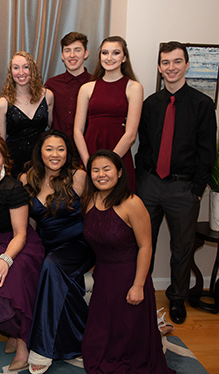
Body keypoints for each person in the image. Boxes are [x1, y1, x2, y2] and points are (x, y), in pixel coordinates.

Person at [135, 41, 217, 324]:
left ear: (187, 64)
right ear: (159, 67)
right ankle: (141, 292)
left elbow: (208, 151)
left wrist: (196, 191)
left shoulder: (202, 104)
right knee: (144, 242)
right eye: (166, 62)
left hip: (183, 188)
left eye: (177, 61)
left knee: (182, 248)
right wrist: (141, 178)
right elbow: (143, 145)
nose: (171, 67)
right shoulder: (150, 104)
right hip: (149, 184)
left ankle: (177, 297)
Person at [81, 150, 175, 374]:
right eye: (95, 170)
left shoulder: (132, 203)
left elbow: (145, 246)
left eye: (107, 169)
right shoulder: (89, 200)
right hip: (104, 277)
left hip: (129, 277)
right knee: (98, 341)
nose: (101, 174)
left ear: (119, 172)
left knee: (129, 342)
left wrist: (138, 285)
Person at [20, 130, 95, 374]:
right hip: (49, 247)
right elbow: (29, 225)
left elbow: (95, 218)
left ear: (67, 152)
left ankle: (42, 348)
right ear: (40, 152)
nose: (55, 154)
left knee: (51, 266)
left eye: (60, 149)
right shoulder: (26, 179)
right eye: (49, 149)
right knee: (51, 269)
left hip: (79, 245)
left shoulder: (79, 177)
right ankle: (92, 336)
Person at [0, 135, 44, 371]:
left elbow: (21, 233)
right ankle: (12, 331)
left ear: (4, 160)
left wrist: (6, 260)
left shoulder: (13, 188)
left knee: (7, 282)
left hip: (19, 247)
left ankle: (23, 343)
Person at [73, 36, 143, 191]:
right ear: (99, 57)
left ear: (124, 58)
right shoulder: (87, 88)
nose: (109, 58)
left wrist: (109, 164)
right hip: (90, 152)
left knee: (120, 207)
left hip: (119, 153)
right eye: (105, 53)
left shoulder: (134, 87)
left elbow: (131, 134)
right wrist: (89, 162)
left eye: (116, 53)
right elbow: (77, 131)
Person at [0, 51, 53, 177]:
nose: (21, 72)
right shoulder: (3, 103)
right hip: (15, 162)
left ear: (32, 70)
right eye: (16, 68)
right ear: (11, 72)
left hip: (41, 159)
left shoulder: (47, 96)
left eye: (26, 67)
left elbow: (53, 127)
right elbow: (0, 140)